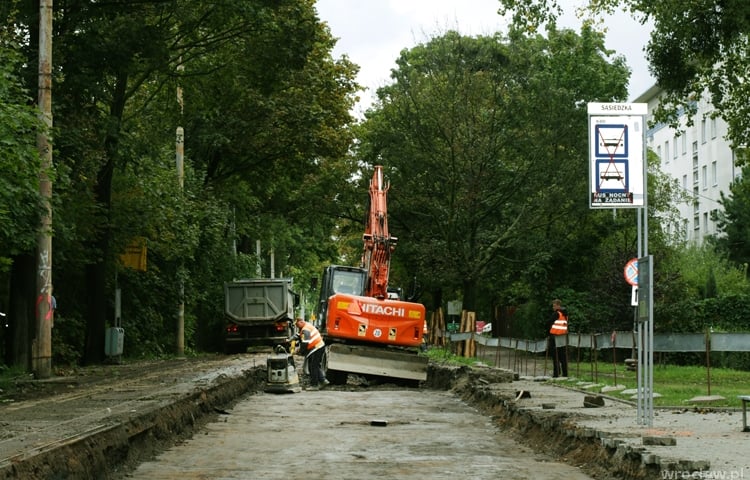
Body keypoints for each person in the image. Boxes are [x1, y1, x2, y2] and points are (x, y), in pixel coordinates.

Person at [294, 317, 328, 389]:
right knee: (314, 365)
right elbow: (298, 335)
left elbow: (305, 343)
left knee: (313, 366)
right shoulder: (307, 325)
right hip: (319, 347)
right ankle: (323, 380)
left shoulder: (305, 329)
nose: (297, 326)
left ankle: (314, 385)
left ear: (301, 322)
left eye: (297, 324)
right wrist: (291, 339)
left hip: (317, 347)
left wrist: (299, 351)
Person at [547, 299, 569, 378]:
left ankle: (556, 373)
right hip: (562, 337)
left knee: (555, 356)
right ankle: (565, 373)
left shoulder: (556, 314)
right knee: (563, 356)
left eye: (554, 305)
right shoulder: (565, 315)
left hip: (555, 337)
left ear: (558, 305)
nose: (553, 307)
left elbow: (549, 322)